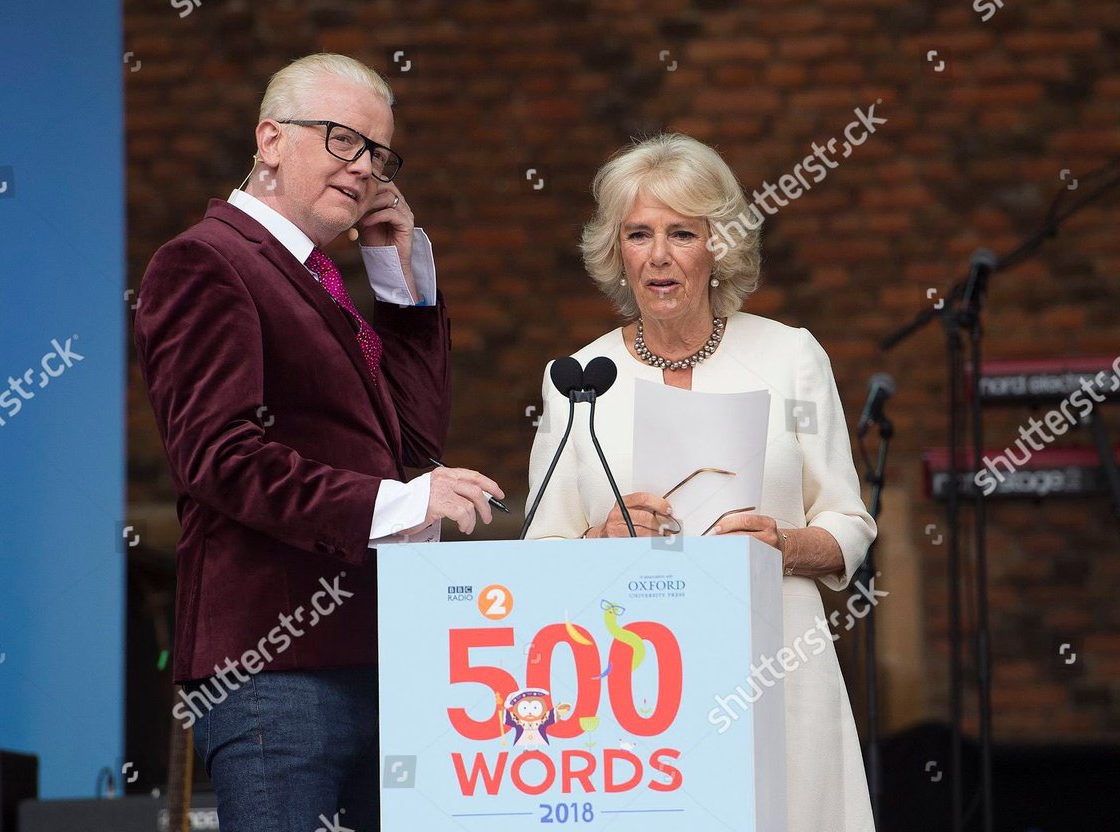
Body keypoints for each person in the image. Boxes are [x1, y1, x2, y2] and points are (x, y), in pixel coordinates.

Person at [134, 53, 503, 832]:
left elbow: (412, 436)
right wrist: (400, 502)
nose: (365, 167)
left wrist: (393, 275)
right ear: (270, 140)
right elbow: (220, 457)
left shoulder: (314, 280)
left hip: (376, 655)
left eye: (378, 153)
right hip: (277, 667)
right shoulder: (206, 261)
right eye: (342, 140)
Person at [525, 133, 876, 831]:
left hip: (776, 667)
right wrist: (601, 538)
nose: (659, 255)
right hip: (632, 692)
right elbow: (541, 552)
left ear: (718, 247)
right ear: (618, 252)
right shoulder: (577, 380)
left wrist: (780, 541)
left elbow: (850, 526)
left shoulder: (790, 356)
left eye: (682, 233)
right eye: (639, 234)